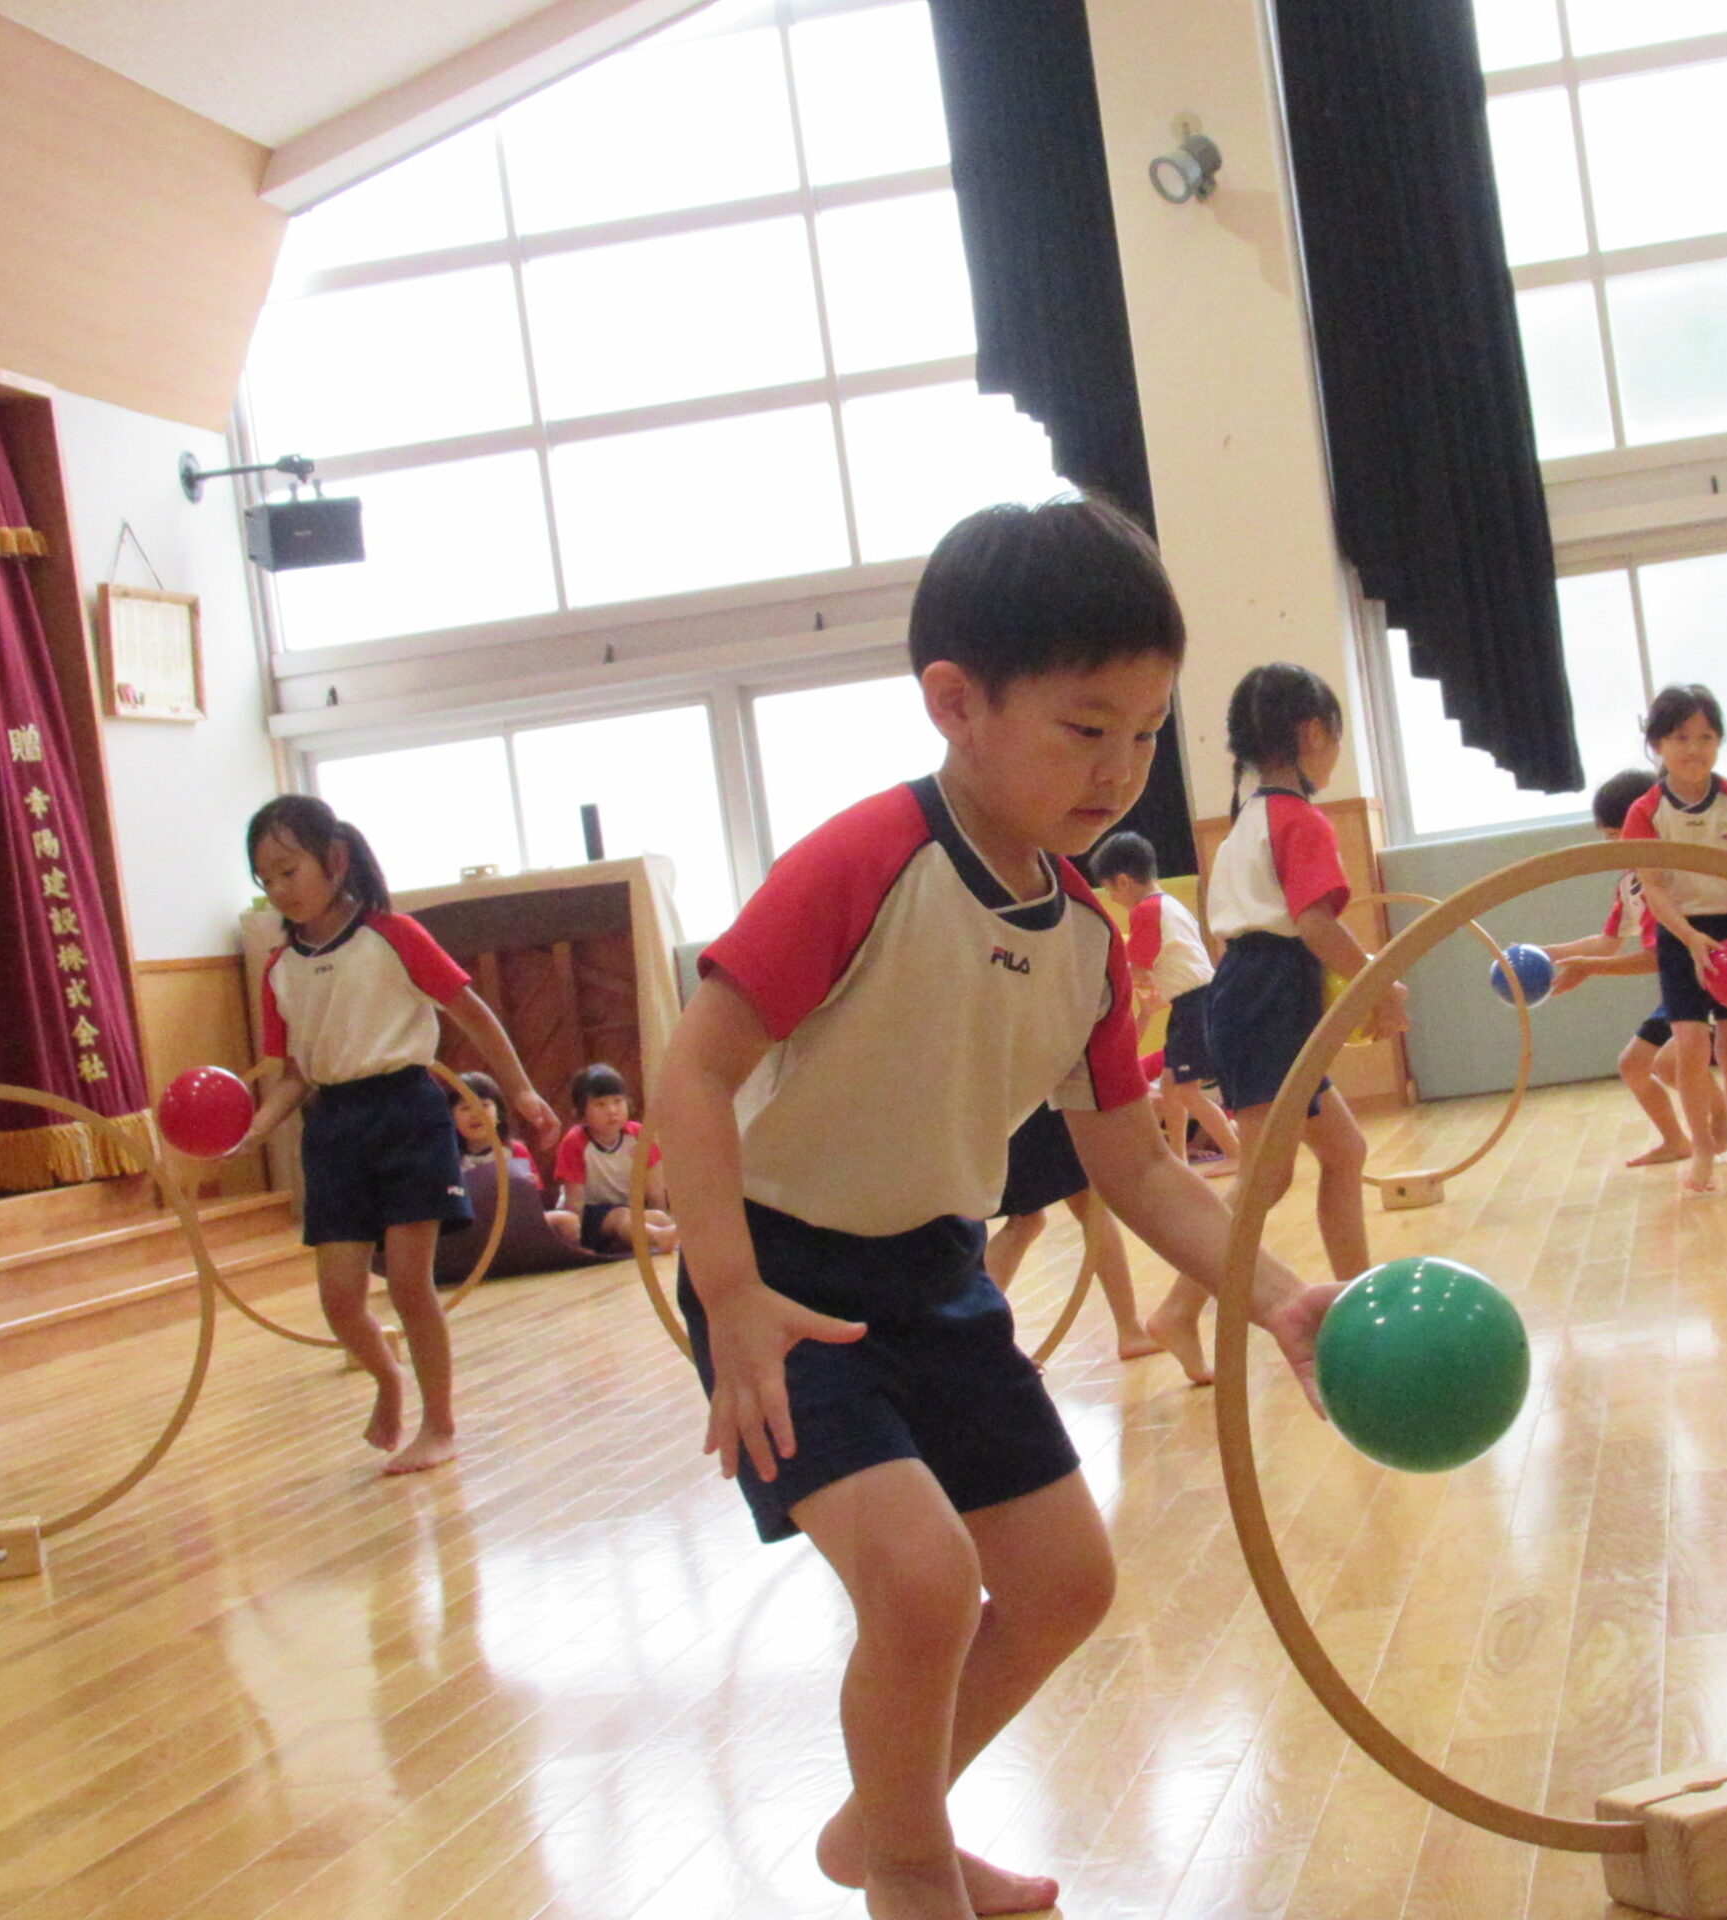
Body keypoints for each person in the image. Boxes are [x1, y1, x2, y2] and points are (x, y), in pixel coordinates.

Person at [651, 496, 1339, 1920]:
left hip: (936, 1279)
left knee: (1065, 1584)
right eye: (1086, 728)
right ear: (955, 704)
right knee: (917, 1583)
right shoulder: (863, 858)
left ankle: (883, 1821)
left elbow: (1135, 1166)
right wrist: (728, 1296)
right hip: (782, 1281)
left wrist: (1279, 1297)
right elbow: (693, 1070)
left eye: (1146, 732)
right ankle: (911, 1871)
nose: (1121, 769)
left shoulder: (1089, 936)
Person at [237, 795, 560, 1475]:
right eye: (265, 879)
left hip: (407, 1114)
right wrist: (256, 1126)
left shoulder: (393, 935)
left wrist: (522, 1089)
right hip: (332, 1127)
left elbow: (472, 1013)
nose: (279, 889)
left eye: (289, 871)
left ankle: (439, 1425)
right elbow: (293, 1075)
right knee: (339, 1300)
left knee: (411, 1284)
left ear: (335, 860)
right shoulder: (278, 968)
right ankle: (387, 1377)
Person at [1144, 662, 1408, 1381]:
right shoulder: (1297, 820)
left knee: (1344, 1151)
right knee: (1265, 1177)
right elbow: (1315, 925)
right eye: (1337, 737)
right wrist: (1381, 983)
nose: (1335, 751)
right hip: (1265, 997)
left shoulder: (1248, 824)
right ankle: (1178, 1309)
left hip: (1258, 991)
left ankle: (1358, 1297)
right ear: (1314, 732)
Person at [1623, 684, 1727, 1197]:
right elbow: (1654, 889)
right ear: (1658, 746)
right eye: (1681, 737)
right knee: (1691, 1047)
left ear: (1719, 742)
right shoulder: (1646, 811)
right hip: (1681, 936)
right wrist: (1689, 938)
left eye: (1706, 737)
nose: (1694, 748)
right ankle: (1704, 1153)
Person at [1540, 767, 1727, 1168]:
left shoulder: (1670, 880)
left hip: (1710, 981)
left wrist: (1591, 968)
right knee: (1634, 1065)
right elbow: (1608, 942)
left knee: (1669, 1065)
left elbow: (1657, 957)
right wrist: (1546, 953)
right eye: (1608, 838)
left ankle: (1723, 1113)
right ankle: (1675, 1141)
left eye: (1617, 836)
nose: (1612, 848)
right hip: (1678, 989)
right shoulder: (1630, 884)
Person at [1087, 828, 1239, 1169]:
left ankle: (1237, 1154)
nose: (1113, 899)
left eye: (1110, 890)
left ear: (1123, 882)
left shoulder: (1146, 911)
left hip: (1194, 1004)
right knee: (1171, 1085)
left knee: (1186, 1091)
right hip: (1192, 1003)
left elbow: (1139, 969)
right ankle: (1179, 1161)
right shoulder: (1169, 903)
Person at [981, 1105, 1161, 1362]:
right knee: (1081, 1208)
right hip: (1035, 1104)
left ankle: (967, 1326)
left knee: (1028, 1220)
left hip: (1016, 1106)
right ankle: (1130, 1329)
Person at [555, 1061, 677, 1255]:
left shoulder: (638, 1135)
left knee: (658, 1218)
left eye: (618, 1101)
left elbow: (655, 1188)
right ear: (581, 1112)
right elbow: (574, 1200)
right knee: (621, 1217)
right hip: (587, 1214)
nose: (612, 1111)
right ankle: (657, 1237)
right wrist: (575, 1246)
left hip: (628, 1208)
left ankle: (660, 1238)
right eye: (600, 1104)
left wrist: (661, 1213)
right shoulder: (574, 1142)